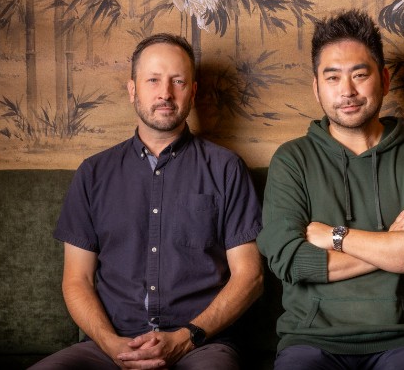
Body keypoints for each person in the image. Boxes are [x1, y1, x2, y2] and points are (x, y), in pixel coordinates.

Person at [31, 33, 263, 369]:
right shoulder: (93, 173)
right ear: (132, 89)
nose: (165, 93)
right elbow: (76, 280)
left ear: (193, 92)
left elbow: (250, 277)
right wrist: (112, 345)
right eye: (153, 80)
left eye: (178, 81)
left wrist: (186, 337)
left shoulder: (226, 168)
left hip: (201, 345)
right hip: (109, 346)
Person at [257, 9, 404, 369]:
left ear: (384, 79)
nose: (347, 91)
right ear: (317, 88)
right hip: (311, 341)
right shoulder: (292, 160)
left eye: (359, 75)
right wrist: (391, 244)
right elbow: (291, 261)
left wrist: (336, 236)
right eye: (332, 78)